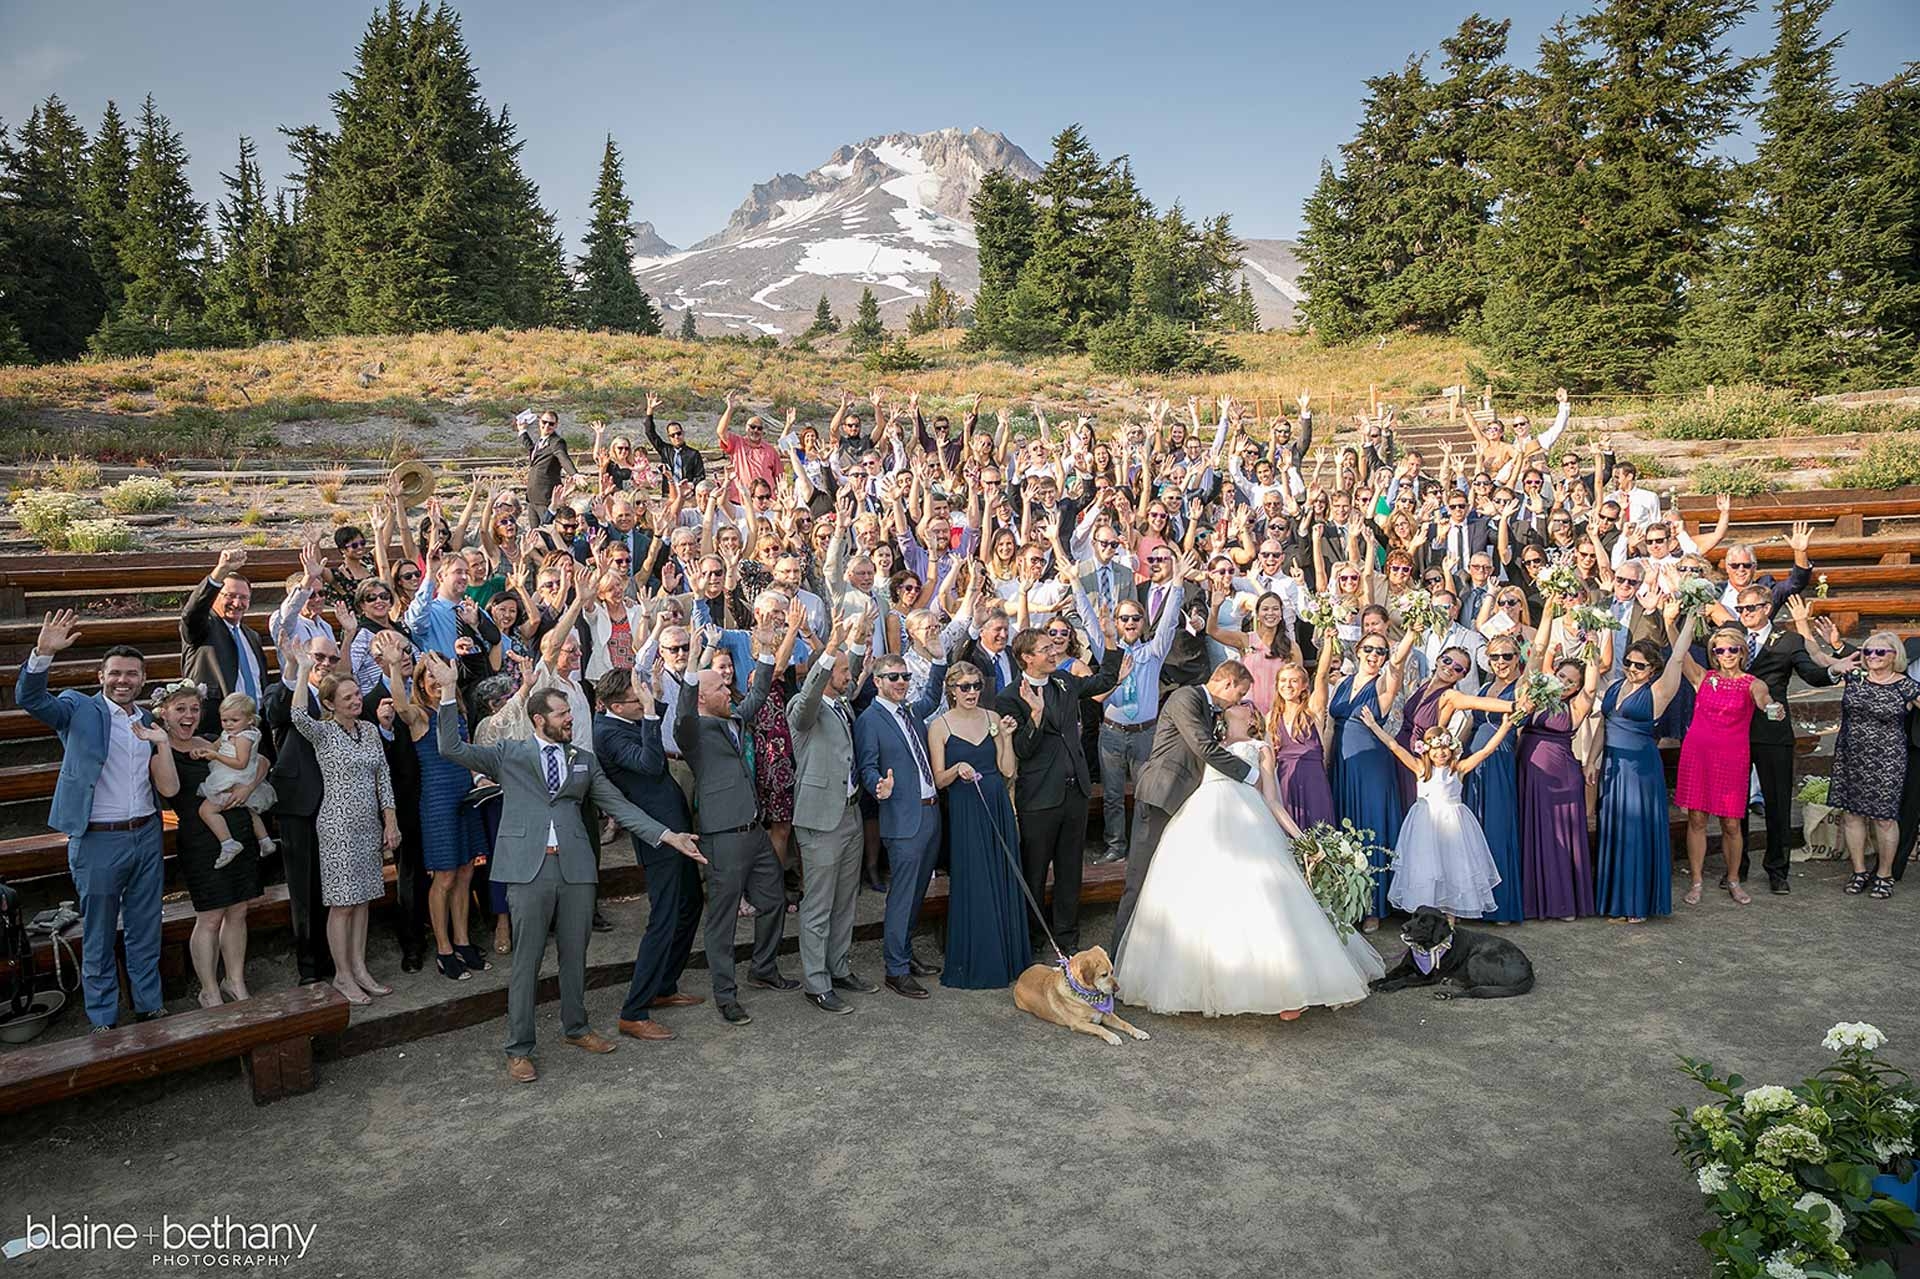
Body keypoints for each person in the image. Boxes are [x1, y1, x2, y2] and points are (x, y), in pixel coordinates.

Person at [427, 656, 699, 1082]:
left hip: (575, 868)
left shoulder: (584, 760)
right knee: (527, 961)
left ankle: (577, 1028)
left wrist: (667, 836)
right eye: (561, 714)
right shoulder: (509, 754)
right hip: (526, 870)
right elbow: (452, 749)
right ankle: (519, 1048)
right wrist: (447, 693)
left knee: (575, 956)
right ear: (539, 720)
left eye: (570, 713)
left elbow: (620, 807)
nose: (570, 720)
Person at [1113, 703, 1384, 1017]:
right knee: (1195, 897)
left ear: (1253, 717)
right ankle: (1205, 983)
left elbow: (1272, 799)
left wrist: (1302, 839)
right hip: (1199, 821)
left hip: (1248, 821)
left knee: (1264, 898)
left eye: (1245, 704)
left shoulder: (1260, 747)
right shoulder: (1209, 745)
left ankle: (1287, 987)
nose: (1238, 705)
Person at [15, 612, 172, 1031]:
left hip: (145, 833)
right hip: (98, 840)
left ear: (142, 679)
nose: (124, 681)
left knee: (145, 927)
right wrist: (42, 654)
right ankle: (102, 1016)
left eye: (132, 675)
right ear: (101, 675)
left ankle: (148, 1004)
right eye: (116, 673)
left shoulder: (148, 721)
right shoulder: (77, 707)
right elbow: (31, 700)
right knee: (99, 934)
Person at [676, 623, 795, 1023]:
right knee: (722, 921)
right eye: (722, 689)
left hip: (754, 832)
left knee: (774, 900)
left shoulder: (733, 718)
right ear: (704, 698)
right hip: (721, 838)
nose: (730, 691)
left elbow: (759, 694)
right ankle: (725, 994)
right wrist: (693, 666)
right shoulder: (692, 731)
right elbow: (682, 712)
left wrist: (764, 651)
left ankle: (763, 969)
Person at [286, 637, 402, 1006]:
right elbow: (298, 716)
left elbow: (383, 775)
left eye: (356, 695)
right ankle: (342, 974)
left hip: (369, 824)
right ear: (331, 703)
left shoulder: (368, 730)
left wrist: (390, 820)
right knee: (343, 903)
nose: (355, 700)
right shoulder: (322, 732)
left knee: (365, 899)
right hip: (337, 826)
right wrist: (304, 668)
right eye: (347, 697)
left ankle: (360, 967)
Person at [1112, 661, 1257, 954]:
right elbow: (1202, 745)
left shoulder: (1209, 707)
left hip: (1185, 801)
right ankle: (1118, 956)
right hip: (1159, 796)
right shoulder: (1186, 697)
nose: (1238, 701)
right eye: (1239, 693)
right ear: (1227, 682)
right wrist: (1251, 774)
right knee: (1139, 880)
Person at [996, 623, 1121, 957]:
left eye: (1054, 647)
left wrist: (1109, 641)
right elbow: (1022, 749)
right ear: (1026, 658)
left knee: (1070, 870)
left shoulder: (1064, 682)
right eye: (1046, 650)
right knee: (1034, 872)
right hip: (1039, 798)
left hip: (1075, 792)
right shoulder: (1008, 697)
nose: (1054, 653)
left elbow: (1105, 681)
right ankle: (1033, 938)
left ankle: (1067, 938)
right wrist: (1035, 716)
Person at [592, 667, 704, 1040]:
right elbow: (651, 764)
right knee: (664, 917)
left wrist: (649, 693)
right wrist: (650, 712)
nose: (642, 702)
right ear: (613, 706)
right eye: (633, 699)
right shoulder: (606, 733)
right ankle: (633, 1011)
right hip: (659, 837)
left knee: (690, 906)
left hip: (678, 831)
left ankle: (664, 986)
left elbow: (655, 706)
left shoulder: (628, 715)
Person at [784, 613, 878, 1015]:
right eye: (840, 671)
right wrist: (827, 653)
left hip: (851, 814)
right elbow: (810, 697)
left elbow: (850, 671)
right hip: (820, 820)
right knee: (819, 904)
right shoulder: (803, 708)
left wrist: (854, 641)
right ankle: (816, 982)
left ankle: (838, 968)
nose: (848, 676)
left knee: (845, 901)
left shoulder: (841, 704)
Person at [149, 681, 264, 1007]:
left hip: (238, 831)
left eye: (194, 709)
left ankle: (235, 980)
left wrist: (247, 788)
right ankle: (208, 988)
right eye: (180, 709)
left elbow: (262, 763)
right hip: (200, 840)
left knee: (239, 910)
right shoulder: (161, 749)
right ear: (164, 713)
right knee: (211, 916)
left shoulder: (214, 741)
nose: (189, 716)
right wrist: (162, 745)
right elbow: (169, 791)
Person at [388, 655, 491, 982]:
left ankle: (463, 941)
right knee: (444, 877)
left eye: (439, 676)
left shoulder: (457, 712)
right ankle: (444, 949)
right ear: (420, 683)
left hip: (465, 794)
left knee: (465, 873)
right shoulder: (420, 715)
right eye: (427, 678)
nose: (434, 682)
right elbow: (401, 707)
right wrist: (393, 666)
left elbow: (469, 752)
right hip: (437, 800)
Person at [928, 663, 1031, 989]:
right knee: (975, 880)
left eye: (975, 686)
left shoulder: (992, 719)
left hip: (997, 803)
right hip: (965, 810)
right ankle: (980, 959)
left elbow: (1008, 770)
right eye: (964, 687)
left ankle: (1009, 956)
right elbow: (939, 780)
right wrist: (957, 767)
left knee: (1002, 876)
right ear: (952, 691)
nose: (971, 692)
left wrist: (1007, 739)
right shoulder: (939, 727)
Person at [855, 651, 949, 999]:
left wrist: (938, 659)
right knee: (902, 896)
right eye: (893, 677)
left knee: (918, 893)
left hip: (929, 813)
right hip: (901, 819)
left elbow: (932, 697)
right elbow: (866, 766)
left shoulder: (911, 711)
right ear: (878, 682)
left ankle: (905, 956)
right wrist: (878, 784)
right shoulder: (870, 719)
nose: (901, 682)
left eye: (905, 677)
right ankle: (895, 969)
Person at [1359, 712, 1509, 920]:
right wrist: (1374, 725)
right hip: (1425, 825)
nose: (1441, 753)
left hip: (1454, 825)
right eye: (1436, 749)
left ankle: (1450, 921)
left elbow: (1486, 751)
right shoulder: (1420, 769)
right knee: (1425, 868)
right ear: (1427, 751)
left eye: (1445, 748)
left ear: (1452, 748)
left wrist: (1504, 727)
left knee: (1454, 868)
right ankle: (1425, 919)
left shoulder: (1458, 769)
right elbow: (1394, 746)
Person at [1737, 588, 1836, 894]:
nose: (1744, 614)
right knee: (1735, 805)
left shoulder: (1789, 641)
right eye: (1740, 608)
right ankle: (1736, 866)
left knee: (1778, 801)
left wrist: (1834, 671)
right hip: (1734, 730)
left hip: (1773, 732)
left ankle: (1778, 869)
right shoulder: (1730, 640)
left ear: (1767, 607)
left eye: (1750, 608)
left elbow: (1812, 674)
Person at [1673, 624, 1778, 906]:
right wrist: (1671, 620)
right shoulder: (1703, 678)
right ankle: (1696, 880)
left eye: (1733, 648)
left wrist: (1772, 708)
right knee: (1696, 819)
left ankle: (1733, 879)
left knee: (1732, 823)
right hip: (1697, 755)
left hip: (1732, 759)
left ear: (1742, 651)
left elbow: (1764, 700)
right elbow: (1680, 654)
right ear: (1714, 654)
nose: (1727, 654)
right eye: (1720, 650)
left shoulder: (1753, 683)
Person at [1596, 636, 1689, 922]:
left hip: (1639, 770)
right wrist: (1591, 762)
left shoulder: (1658, 691)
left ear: (1652, 669)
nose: (1632, 668)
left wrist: (1687, 618)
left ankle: (1636, 903)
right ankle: (1616, 901)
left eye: (1639, 665)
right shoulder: (1614, 687)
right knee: (1615, 831)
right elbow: (1603, 725)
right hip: (1613, 764)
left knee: (1636, 832)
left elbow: (1677, 658)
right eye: (1628, 662)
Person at [263, 633, 338, 984]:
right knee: (305, 891)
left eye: (332, 659)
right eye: (318, 657)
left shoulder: (338, 696)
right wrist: (297, 669)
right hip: (299, 805)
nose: (325, 664)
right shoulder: (286, 691)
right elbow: (277, 713)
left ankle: (336, 958)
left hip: (337, 804)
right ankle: (310, 968)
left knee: (333, 886)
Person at [1328, 628, 1416, 929]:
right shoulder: (1342, 683)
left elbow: (1397, 664)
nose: (1374, 655)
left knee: (1370, 828)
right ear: (1358, 651)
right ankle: (1346, 899)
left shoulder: (1384, 684)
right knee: (1345, 829)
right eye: (1369, 649)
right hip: (1341, 763)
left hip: (1370, 765)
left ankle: (1373, 908)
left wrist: (1412, 633)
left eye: (1380, 651)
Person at [1822, 630, 1920, 899]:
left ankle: (1884, 874)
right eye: (1867, 651)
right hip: (1851, 755)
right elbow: (1818, 658)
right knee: (1852, 815)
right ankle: (1859, 871)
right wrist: (1803, 627)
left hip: (1887, 760)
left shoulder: (1906, 685)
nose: (1872, 656)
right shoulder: (1855, 677)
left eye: (1879, 652)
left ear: (1894, 656)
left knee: (1885, 819)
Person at [1464, 637, 1526, 924]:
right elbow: (1471, 724)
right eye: (1494, 657)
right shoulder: (1485, 688)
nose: (1500, 662)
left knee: (1497, 831)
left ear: (1517, 658)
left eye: (1506, 656)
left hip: (1499, 762)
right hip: (1472, 762)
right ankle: (1472, 904)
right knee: (1472, 832)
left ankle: (1501, 905)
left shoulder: (1522, 687)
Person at [181, 546, 271, 728]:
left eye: (244, 598)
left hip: (255, 726)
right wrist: (220, 572)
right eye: (230, 596)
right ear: (215, 597)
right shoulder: (204, 628)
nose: (237, 603)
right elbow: (192, 612)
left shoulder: (251, 635)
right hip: (216, 728)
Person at [195, 692, 277, 869]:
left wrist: (216, 755)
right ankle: (265, 841)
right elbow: (214, 745)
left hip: (234, 779)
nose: (228, 725)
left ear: (249, 720)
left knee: (206, 810)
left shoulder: (244, 738)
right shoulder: (229, 733)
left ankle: (228, 843)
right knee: (248, 809)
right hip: (231, 777)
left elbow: (241, 763)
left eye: (234, 720)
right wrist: (202, 751)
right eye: (225, 720)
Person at [518, 408, 578, 521]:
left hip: (546, 498)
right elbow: (533, 452)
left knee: (547, 530)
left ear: (556, 425)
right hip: (532, 498)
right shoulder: (541, 442)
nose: (547, 426)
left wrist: (574, 474)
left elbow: (563, 457)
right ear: (539, 422)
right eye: (544, 422)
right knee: (535, 534)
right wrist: (523, 431)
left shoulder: (557, 442)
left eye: (551, 424)